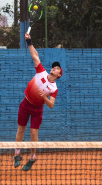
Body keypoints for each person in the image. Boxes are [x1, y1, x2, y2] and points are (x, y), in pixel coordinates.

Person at [14, 33, 63, 171]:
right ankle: (17, 153)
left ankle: (32, 156)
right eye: (54, 67)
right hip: (25, 103)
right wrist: (29, 41)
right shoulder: (41, 71)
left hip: (37, 109)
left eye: (57, 69)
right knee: (20, 129)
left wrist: (44, 98)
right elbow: (35, 56)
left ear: (59, 75)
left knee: (33, 133)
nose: (55, 68)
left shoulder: (54, 88)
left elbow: (51, 105)